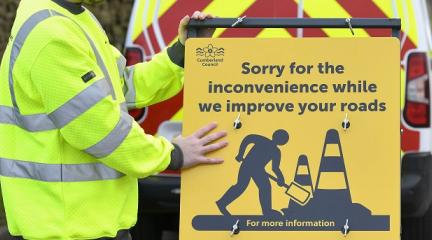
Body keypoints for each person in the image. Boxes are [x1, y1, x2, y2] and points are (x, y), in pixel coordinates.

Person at [0, 0, 227, 239]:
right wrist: (173, 154)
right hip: (68, 226)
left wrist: (181, 52)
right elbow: (100, 129)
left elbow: (123, 86)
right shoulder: (52, 34)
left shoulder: (72, 18)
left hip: (83, 220)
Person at [216, 130, 289, 216]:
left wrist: (281, 178)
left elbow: (275, 168)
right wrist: (240, 154)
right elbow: (248, 139)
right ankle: (222, 203)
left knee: (265, 187)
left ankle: (267, 211)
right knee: (241, 186)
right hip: (248, 165)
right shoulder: (263, 141)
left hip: (259, 169)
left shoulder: (276, 152)